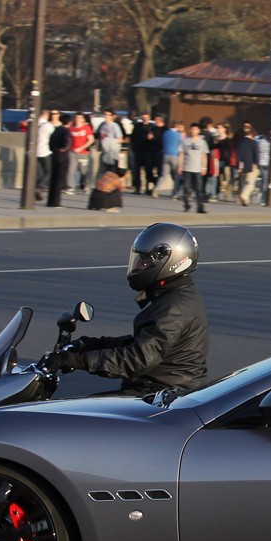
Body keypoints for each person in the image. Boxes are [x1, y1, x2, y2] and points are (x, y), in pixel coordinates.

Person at [49, 223, 208, 397]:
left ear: (170, 261)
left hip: (160, 396)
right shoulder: (174, 297)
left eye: (145, 260)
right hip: (159, 389)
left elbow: (137, 359)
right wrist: (88, 345)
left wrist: (78, 360)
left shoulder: (174, 308)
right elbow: (141, 344)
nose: (139, 265)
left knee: (77, 416)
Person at [179, 122, 210, 214]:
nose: (193, 131)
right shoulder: (185, 141)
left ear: (199, 131)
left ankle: (200, 207)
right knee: (186, 188)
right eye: (192, 129)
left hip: (198, 169)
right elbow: (182, 154)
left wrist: (204, 167)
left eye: (195, 129)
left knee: (199, 189)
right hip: (187, 168)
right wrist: (180, 166)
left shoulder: (202, 142)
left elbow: (204, 155)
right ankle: (186, 205)